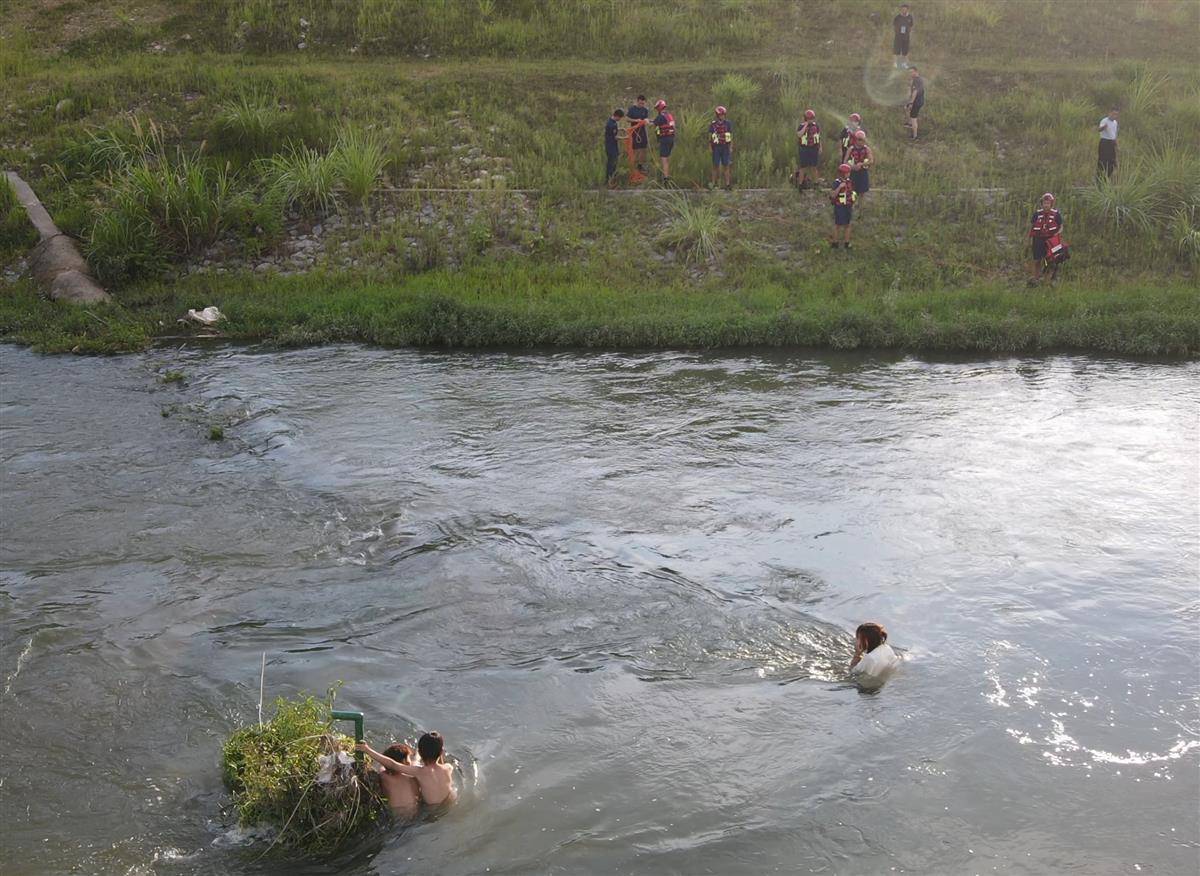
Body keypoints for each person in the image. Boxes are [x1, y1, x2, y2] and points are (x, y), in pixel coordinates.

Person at [359, 731, 457, 807]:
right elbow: (439, 763)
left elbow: (393, 764)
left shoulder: (419, 772)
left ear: (421, 753)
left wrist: (367, 750)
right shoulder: (448, 768)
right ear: (441, 752)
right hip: (449, 802)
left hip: (431, 809)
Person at [359, 741, 420, 820]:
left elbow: (387, 764)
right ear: (407, 763)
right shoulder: (412, 778)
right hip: (414, 813)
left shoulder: (384, 777)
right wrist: (417, 756)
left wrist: (367, 750)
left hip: (396, 815)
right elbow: (414, 764)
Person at [850, 622, 899, 689]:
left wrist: (857, 653)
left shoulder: (869, 658)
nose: (856, 640)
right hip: (884, 682)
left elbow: (853, 672)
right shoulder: (887, 648)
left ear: (866, 641)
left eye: (858, 638)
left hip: (868, 687)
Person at [1028, 192, 1064, 283]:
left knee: (1050, 260)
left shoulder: (1056, 214)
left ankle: (1047, 279)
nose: (1046, 205)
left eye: (1048, 203)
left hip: (1050, 240)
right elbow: (1031, 227)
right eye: (1044, 203)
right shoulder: (1037, 214)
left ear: (1051, 204)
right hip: (1038, 239)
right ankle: (1036, 277)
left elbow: (1061, 226)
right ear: (1042, 203)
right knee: (1037, 259)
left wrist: (1056, 235)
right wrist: (1028, 240)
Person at [829, 162, 856, 249]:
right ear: (842, 173)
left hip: (848, 205)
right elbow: (832, 195)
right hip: (839, 206)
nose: (849, 174)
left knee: (848, 224)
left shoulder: (849, 181)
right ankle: (835, 243)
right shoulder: (837, 182)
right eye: (847, 173)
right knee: (837, 225)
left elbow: (851, 192)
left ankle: (847, 243)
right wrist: (840, 187)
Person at [794, 108, 822, 190]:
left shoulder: (816, 126)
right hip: (804, 149)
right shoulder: (801, 126)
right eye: (808, 118)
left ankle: (816, 184)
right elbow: (799, 135)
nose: (810, 120)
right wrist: (806, 125)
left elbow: (818, 137)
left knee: (814, 167)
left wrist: (820, 147)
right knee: (803, 167)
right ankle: (800, 185)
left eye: (811, 118)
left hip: (814, 148)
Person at [708, 105, 734, 189]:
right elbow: (710, 137)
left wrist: (730, 147)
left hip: (725, 147)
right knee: (715, 165)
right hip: (716, 147)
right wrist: (710, 147)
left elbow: (730, 136)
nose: (722, 116)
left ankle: (727, 184)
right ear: (717, 115)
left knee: (726, 165)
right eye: (721, 115)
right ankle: (713, 184)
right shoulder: (713, 125)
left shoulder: (728, 124)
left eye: (723, 115)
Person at [651, 99, 676, 184]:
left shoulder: (660, 116)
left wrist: (645, 121)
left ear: (659, 107)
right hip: (671, 139)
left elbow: (653, 124)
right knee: (667, 158)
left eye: (657, 108)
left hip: (665, 139)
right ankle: (667, 175)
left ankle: (666, 179)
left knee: (664, 159)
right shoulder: (669, 115)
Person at [846, 129, 873, 201]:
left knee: (862, 191)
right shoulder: (851, 149)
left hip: (863, 172)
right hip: (853, 172)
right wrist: (852, 167)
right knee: (852, 191)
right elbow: (845, 161)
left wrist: (862, 164)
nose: (862, 142)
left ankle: (861, 207)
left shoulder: (867, 149)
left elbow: (871, 160)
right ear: (856, 140)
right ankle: (852, 205)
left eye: (863, 140)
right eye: (860, 140)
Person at [627, 95, 650, 174]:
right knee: (636, 149)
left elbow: (647, 119)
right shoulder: (632, 109)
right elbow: (627, 119)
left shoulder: (645, 110)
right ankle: (635, 165)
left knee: (643, 148)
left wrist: (646, 121)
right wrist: (635, 120)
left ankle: (641, 165)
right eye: (640, 103)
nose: (642, 105)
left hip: (643, 131)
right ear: (637, 101)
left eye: (643, 104)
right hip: (634, 131)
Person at [604, 108, 625, 187]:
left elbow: (613, 131)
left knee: (613, 163)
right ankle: (609, 180)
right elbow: (615, 137)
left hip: (613, 146)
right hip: (611, 147)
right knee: (612, 164)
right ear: (617, 116)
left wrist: (620, 129)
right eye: (620, 118)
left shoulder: (612, 122)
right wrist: (625, 138)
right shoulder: (611, 124)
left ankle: (611, 180)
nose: (620, 119)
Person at [1097, 108, 1119, 179]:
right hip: (1104, 142)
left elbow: (1114, 135)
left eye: (1116, 114)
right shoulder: (1104, 120)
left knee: (1112, 161)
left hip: (1111, 143)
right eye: (1113, 114)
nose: (1114, 116)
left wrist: (1116, 144)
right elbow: (1099, 129)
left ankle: (1107, 178)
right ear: (1109, 113)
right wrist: (1104, 127)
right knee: (1102, 161)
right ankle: (1099, 179)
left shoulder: (1115, 123)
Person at [904, 67, 925, 140]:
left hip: (916, 102)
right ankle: (910, 124)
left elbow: (915, 92)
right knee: (906, 108)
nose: (910, 74)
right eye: (909, 72)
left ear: (916, 71)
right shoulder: (916, 79)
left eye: (912, 72)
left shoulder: (917, 80)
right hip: (918, 100)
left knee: (914, 118)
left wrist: (911, 103)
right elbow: (911, 89)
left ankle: (915, 136)